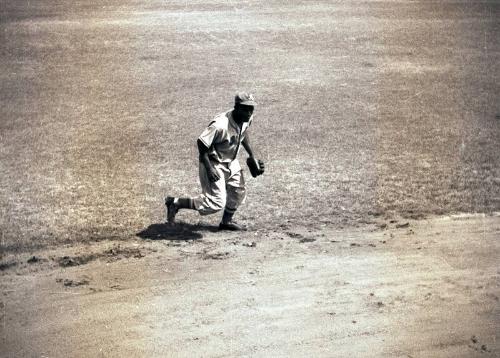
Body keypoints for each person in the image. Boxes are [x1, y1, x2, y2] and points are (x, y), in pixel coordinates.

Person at [165, 92, 265, 231]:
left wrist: (252, 155)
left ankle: (226, 222)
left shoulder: (246, 118)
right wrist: (209, 168)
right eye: (245, 108)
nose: (249, 112)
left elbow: (243, 131)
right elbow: (201, 143)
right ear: (236, 107)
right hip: (213, 162)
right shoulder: (220, 125)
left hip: (230, 161)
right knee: (215, 203)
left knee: (238, 191)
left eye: (251, 108)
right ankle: (175, 203)